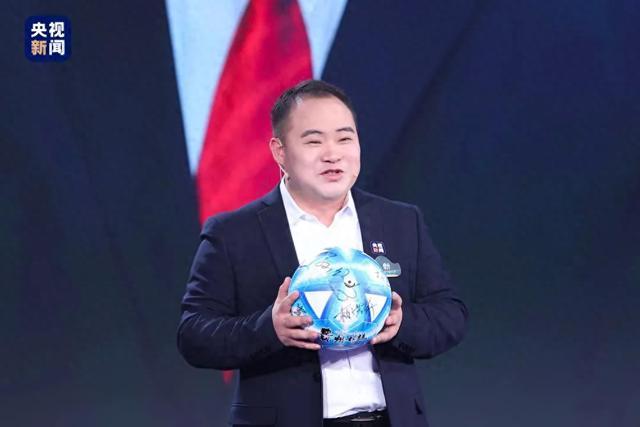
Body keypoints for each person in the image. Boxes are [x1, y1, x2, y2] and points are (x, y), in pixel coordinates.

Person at [178, 80, 468, 427]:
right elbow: (194, 335)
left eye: (345, 138)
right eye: (314, 141)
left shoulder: (401, 221)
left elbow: (450, 315)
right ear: (280, 151)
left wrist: (401, 323)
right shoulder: (233, 233)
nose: (333, 154)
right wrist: (269, 328)